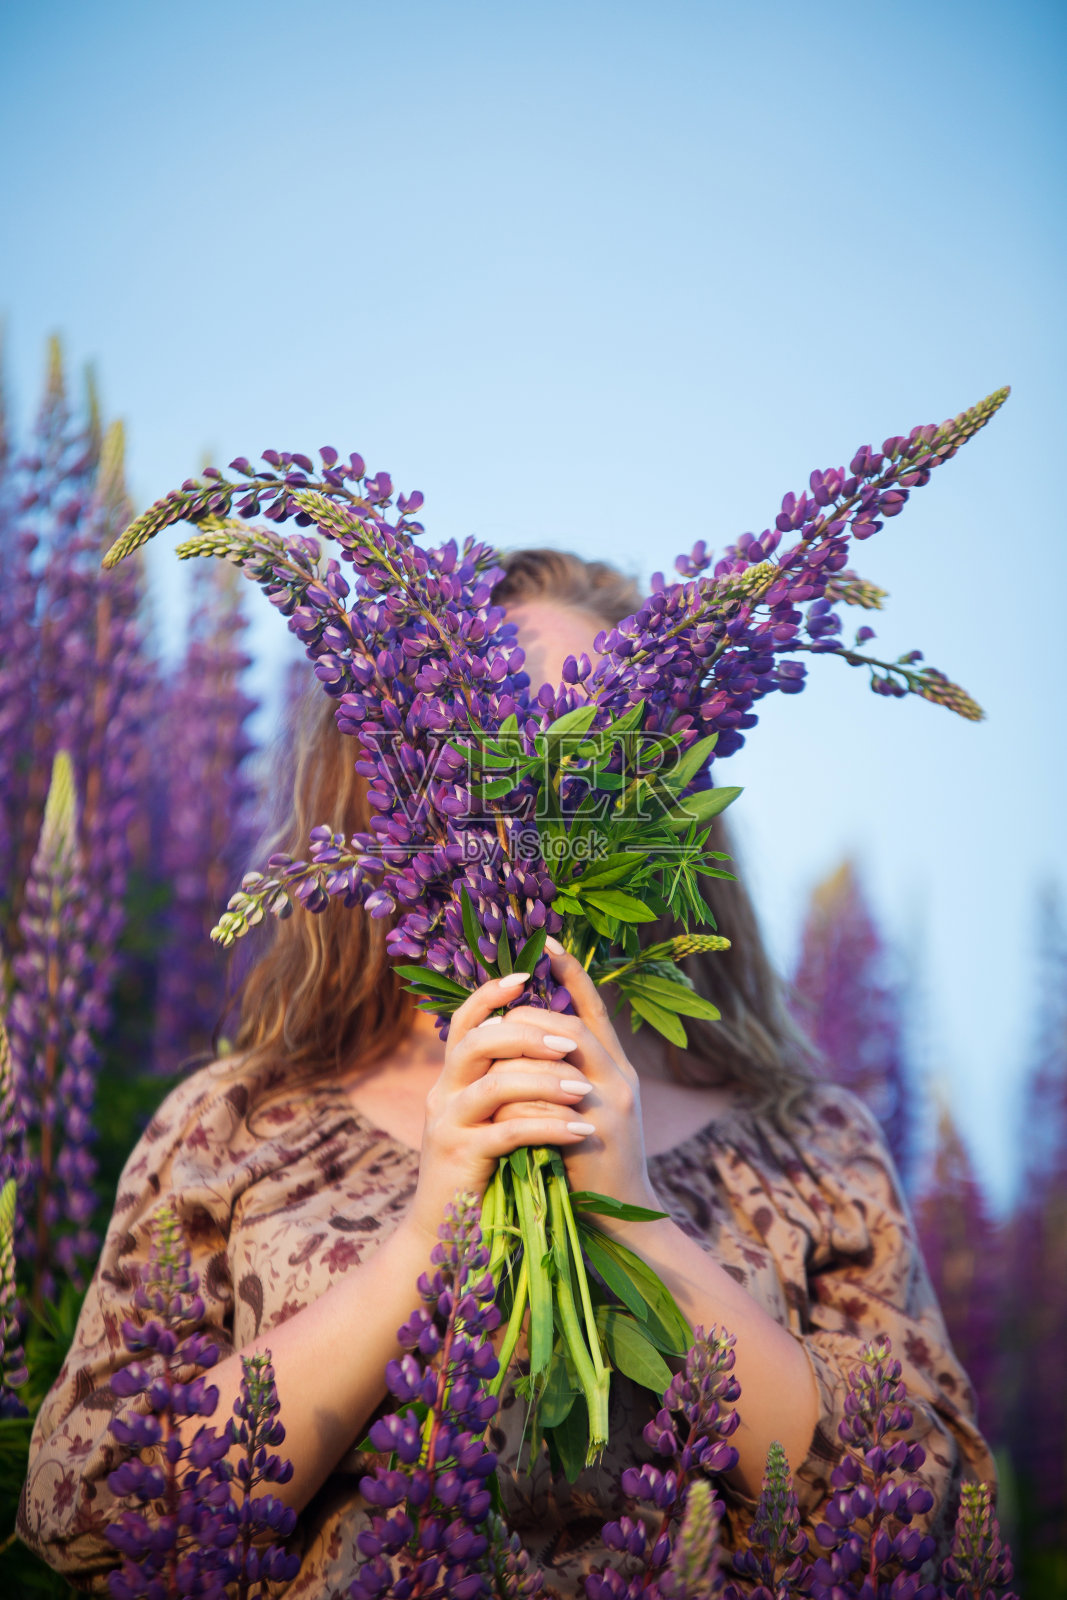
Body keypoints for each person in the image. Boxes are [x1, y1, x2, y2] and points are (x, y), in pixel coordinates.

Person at [19, 550, 995, 1597]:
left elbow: (937, 1526)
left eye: (597, 736)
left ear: (672, 793)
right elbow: (82, 1520)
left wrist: (632, 1216)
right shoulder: (237, 1120)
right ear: (387, 776)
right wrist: (426, 1241)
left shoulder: (808, 1143)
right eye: (496, 730)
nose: (539, 773)